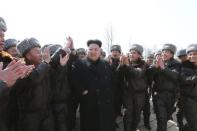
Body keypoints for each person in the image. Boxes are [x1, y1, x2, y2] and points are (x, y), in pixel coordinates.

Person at [70, 39, 116, 131]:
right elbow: (73, 80)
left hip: (105, 106)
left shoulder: (106, 64)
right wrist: (82, 91)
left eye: (96, 49)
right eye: (90, 49)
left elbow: (112, 81)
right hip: (89, 105)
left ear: (100, 51)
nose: (93, 52)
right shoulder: (80, 64)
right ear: (87, 51)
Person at [148, 43, 180, 131]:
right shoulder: (157, 62)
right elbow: (148, 76)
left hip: (170, 96)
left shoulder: (176, 64)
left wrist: (163, 67)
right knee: (161, 119)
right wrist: (155, 67)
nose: (164, 53)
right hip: (158, 95)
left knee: (166, 118)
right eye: (163, 51)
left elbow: (175, 76)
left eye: (167, 52)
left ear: (172, 54)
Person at [119, 44, 148, 131]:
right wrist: (121, 65)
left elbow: (137, 73)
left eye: (134, 53)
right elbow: (118, 75)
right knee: (128, 114)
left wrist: (127, 65)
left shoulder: (143, 64)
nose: (131, 54)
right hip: (128, 94)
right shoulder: (126, 62)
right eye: (130, 52)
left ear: (139, 55)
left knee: (137, 115)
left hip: (139, 94)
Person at [179, 44, 197, 131]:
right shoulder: (183, 66)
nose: (193, 56)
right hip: (188, 99)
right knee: (193, 124)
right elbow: (185, 80)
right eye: (190, 54)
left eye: (195, 54)